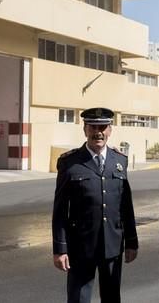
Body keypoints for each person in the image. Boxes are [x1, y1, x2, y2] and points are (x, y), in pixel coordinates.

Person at [52, 107, 138, 303]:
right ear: (85, 129)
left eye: (103, 127)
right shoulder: (70, 162)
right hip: (80, 245)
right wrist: (60, 248)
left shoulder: (120, 161)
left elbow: (126, 205)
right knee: (78, 298)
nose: (98, 132)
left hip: (113, 244)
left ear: (110, 130)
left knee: (111, 297)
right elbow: (60, 210)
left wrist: (131, 241)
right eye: (93, 127)